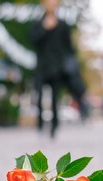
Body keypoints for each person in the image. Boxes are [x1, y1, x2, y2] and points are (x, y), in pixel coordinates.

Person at [30, 0, 75, 139]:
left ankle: (54, 127)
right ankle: (40, 126)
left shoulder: (63, 25)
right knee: (39, 97)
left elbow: (69, 47)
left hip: (57, 68)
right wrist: (45, 28)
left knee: (55, 99)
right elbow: (33, 40)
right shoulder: (38, 23)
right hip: (41, 67)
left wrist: (70, 64)